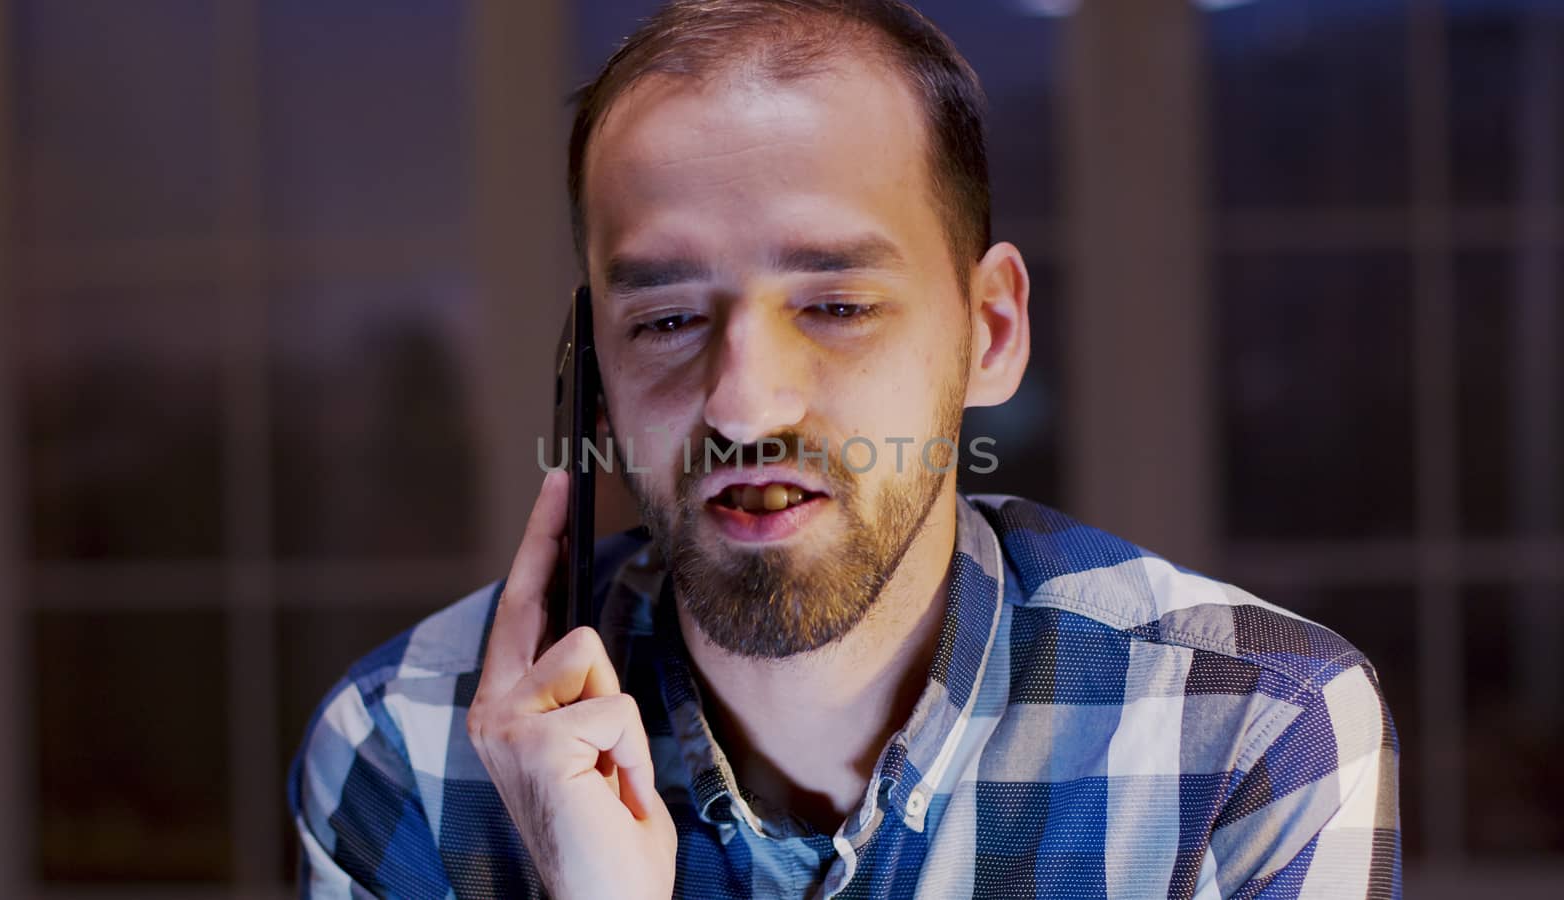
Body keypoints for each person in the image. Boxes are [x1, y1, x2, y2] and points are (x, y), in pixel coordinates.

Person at [287, 1, 1401, 896]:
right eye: (666, 320)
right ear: (592, 373)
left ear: (991, 335)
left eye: (835, 304)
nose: (744, 406)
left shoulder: (1248, 734)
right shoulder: (406, 755)